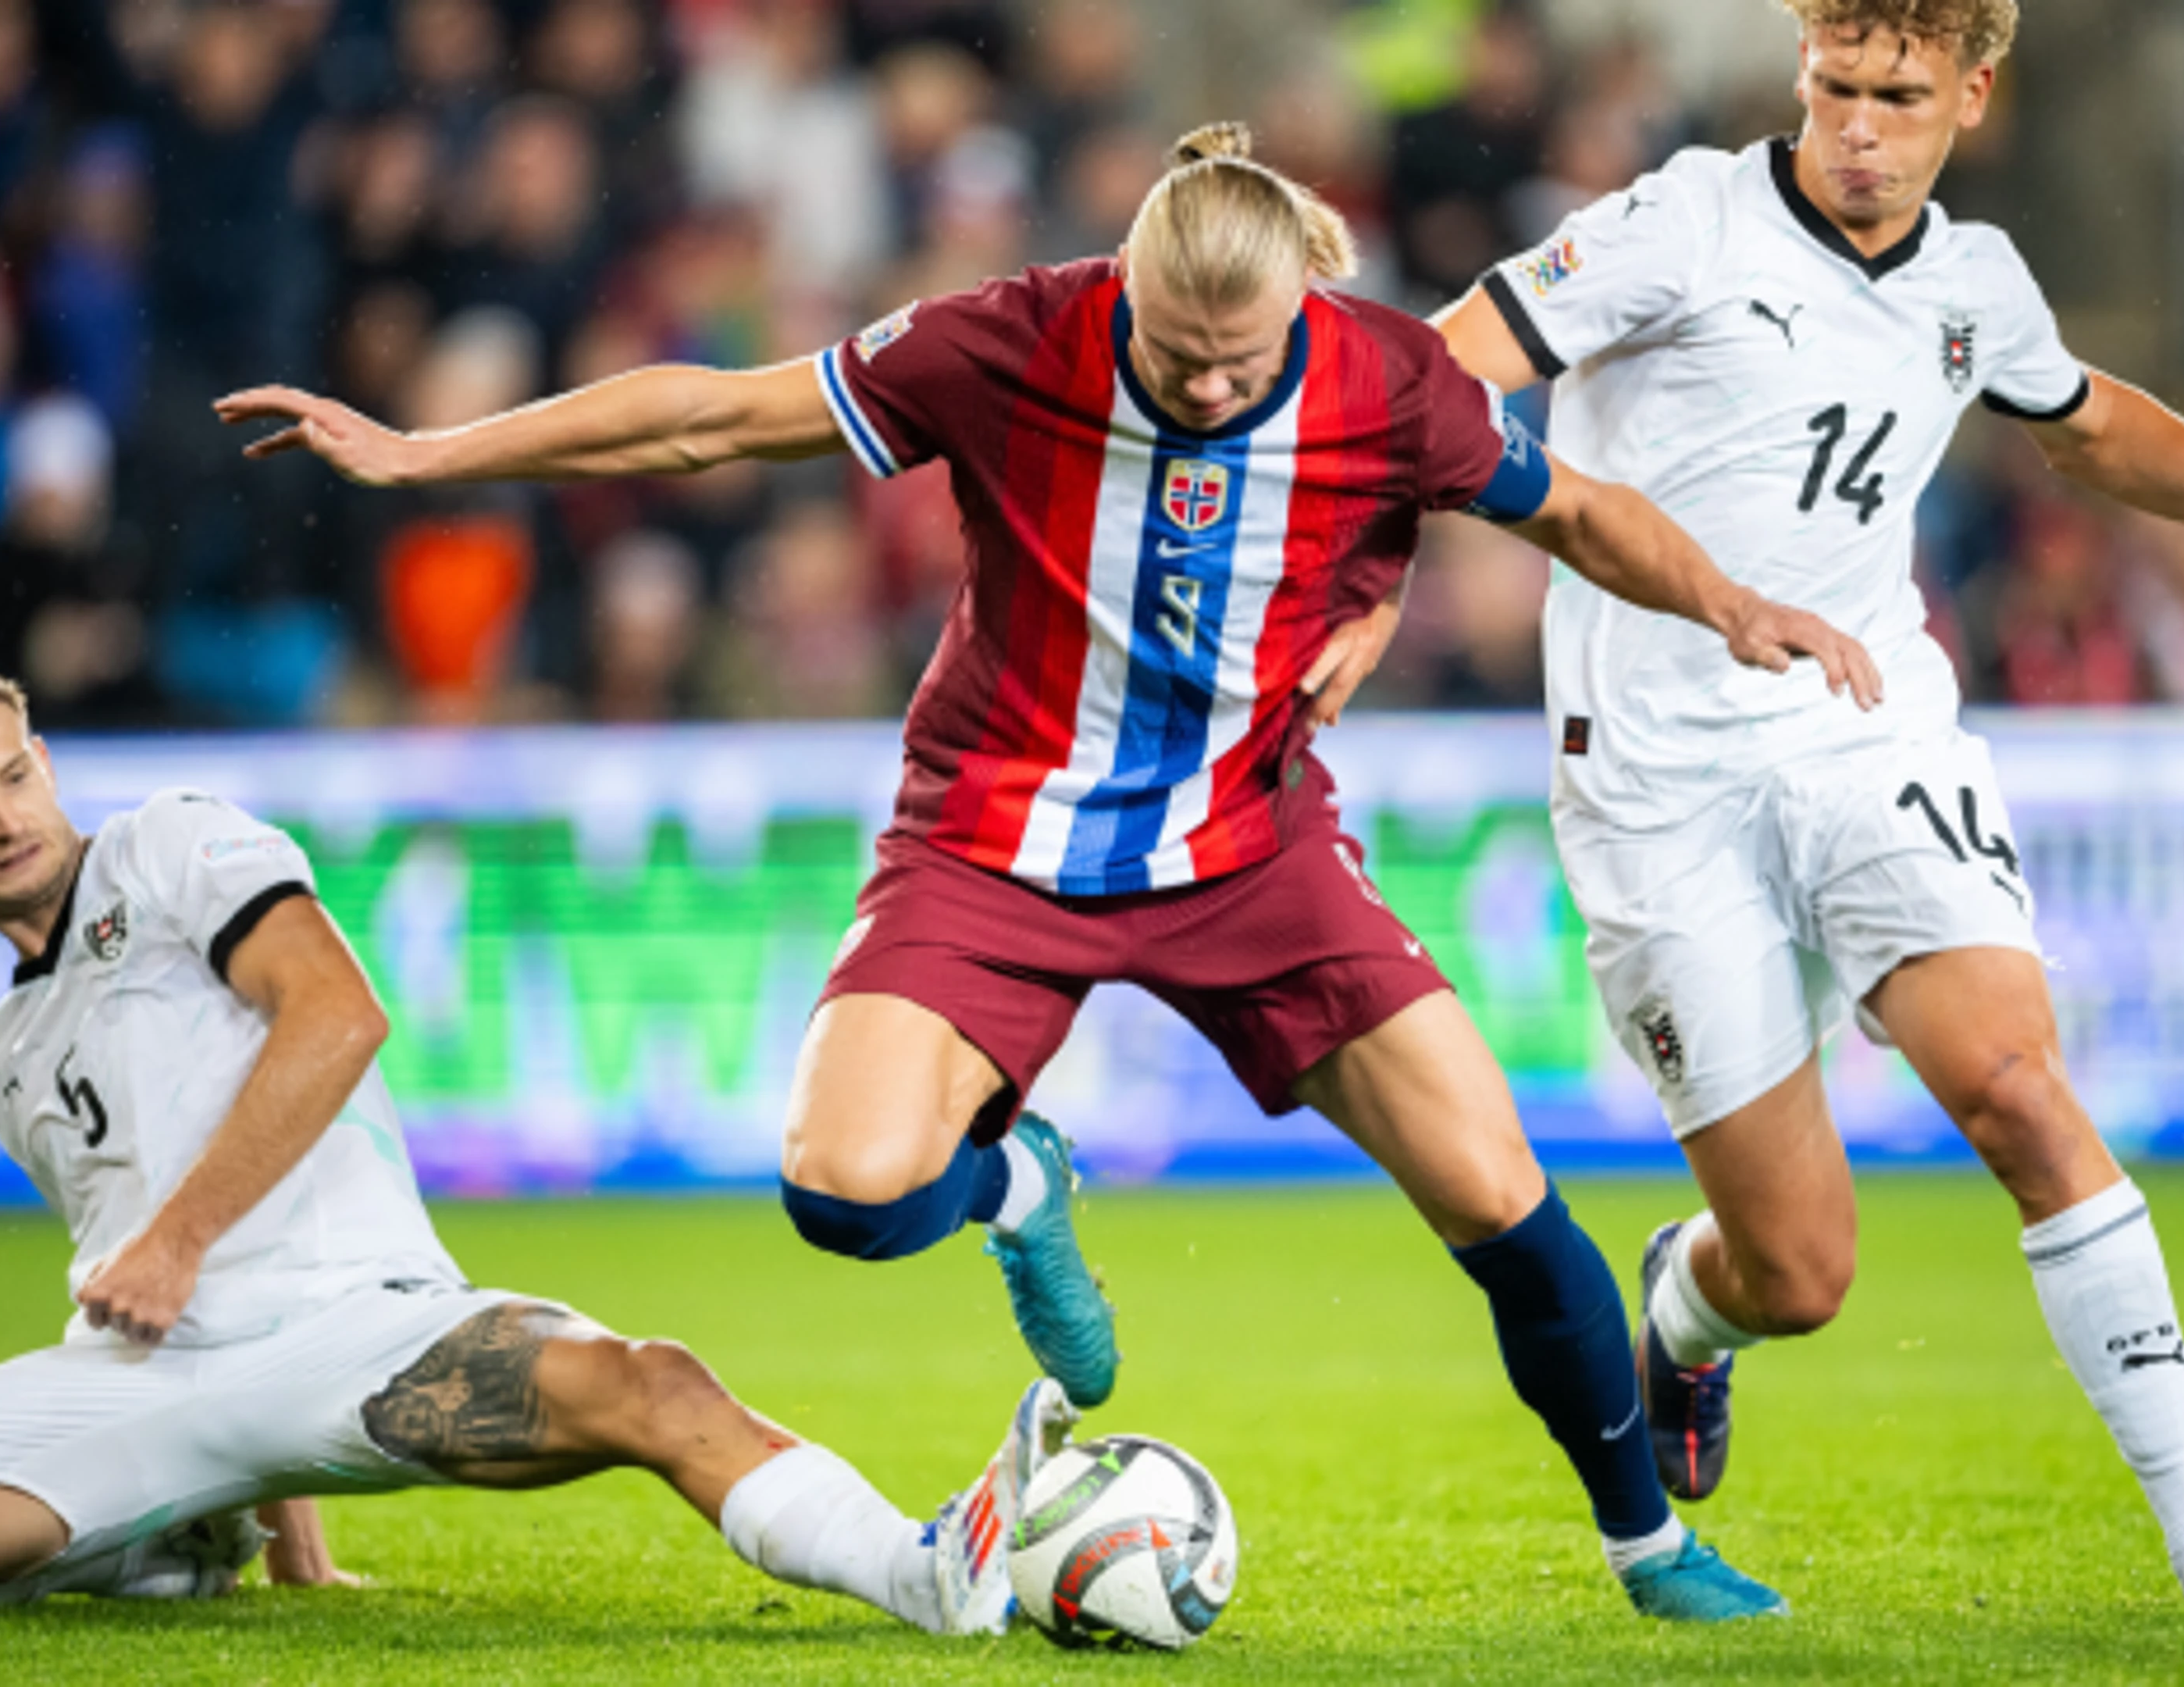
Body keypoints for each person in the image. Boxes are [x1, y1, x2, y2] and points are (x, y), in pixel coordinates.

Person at [217, 124, 1884, 1621]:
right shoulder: (1010, 338)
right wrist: (429, 456)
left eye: (1243, 364)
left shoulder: (1385, 378)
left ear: (1303, 302)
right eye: (1180, 355)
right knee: (844, 1197)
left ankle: (1650, 1549)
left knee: (1500, 1198)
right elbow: (715, 422)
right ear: (1126, 297)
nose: (1213, 391)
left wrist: (1736, 609)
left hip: (1251, 843)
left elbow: (1579, 513)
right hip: (994, 838)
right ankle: (1019, 1187)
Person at [1433, 0, 2184, 1624]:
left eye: (1898, 97)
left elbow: (2090, 421)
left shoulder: (1974, 286)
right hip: (1654, 781)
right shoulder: (1678, 220)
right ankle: (1688, 1311)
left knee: (2020, 1086)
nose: (1856, 127)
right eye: (1834, 88)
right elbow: (1432, 375)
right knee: (1801, 1272)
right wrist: (1358, 584)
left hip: (1864, 730)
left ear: (1974, 95)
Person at [0, 654, 1070, 1628]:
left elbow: (335, 1018)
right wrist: (278, 1506)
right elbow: (129, 1260)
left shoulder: (171, 848)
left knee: (651, 1387)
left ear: (45, 761)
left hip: (360, 1330)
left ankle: (922, 1570)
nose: (5, 819)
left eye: (14, 774)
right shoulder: (2, 1061)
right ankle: (179, 1546)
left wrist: (181, 1247)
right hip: (140, 1385)